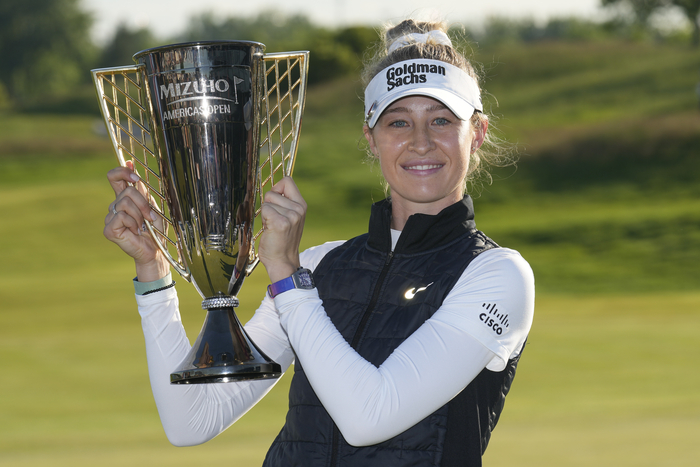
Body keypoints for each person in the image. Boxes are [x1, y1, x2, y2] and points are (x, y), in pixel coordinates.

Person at [104, 18, 535, 467]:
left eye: (441, 120)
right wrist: (153, 272)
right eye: (398, 122)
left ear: (477, 133)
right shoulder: (320, 266)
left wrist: (287, 278)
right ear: (371, 138)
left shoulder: (497, 275)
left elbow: (369, 415)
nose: (420, 143)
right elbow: (190, 421)